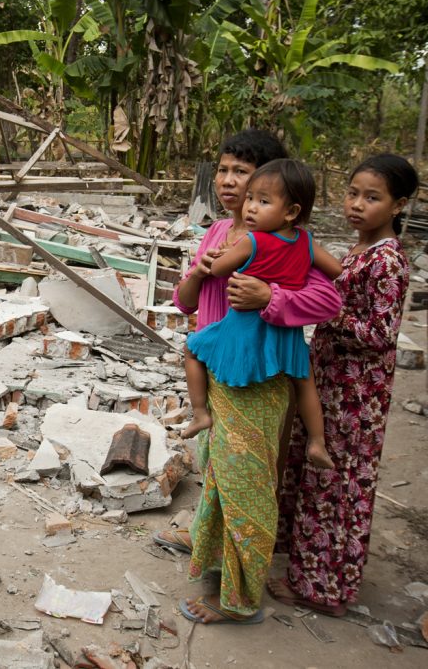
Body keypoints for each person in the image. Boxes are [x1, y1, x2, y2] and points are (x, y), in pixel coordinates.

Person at [151, 130, 342, 625]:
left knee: (249, 482)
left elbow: (327, 299)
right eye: (223, 169)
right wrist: (196, 273)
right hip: (219, 368)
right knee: (216, 473)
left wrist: (270, 299)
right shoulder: (218, 233)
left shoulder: (290, 244)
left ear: (277, 191)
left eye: (244, 174)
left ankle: (241, 595)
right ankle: (217, 563)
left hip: (258, 375)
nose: (229, 182)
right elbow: (186, 302)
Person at [272, 153, 417, 617]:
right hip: (331, 384)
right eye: (353, 193)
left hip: (357, 395)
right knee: (316, 477)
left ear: (398, 205)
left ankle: (323, 590)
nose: (357, 204)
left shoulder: (388, 261)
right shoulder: (358, 252)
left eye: (372, 197)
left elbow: (379, 334)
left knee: (337, 485)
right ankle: (307, 571)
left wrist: (323, 309)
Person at [183, 159, 342, 471]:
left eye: (263, 201)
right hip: (287, 335)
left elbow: (217, 270)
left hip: (246, 331)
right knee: (305, 382)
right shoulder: (306, 241)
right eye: (251, 199)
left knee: (192, 349)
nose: (250, 208)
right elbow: (336, 269)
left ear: (291, 211)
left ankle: (200, 411)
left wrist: (218, 258)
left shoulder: (252, 241)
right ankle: (317, 441)